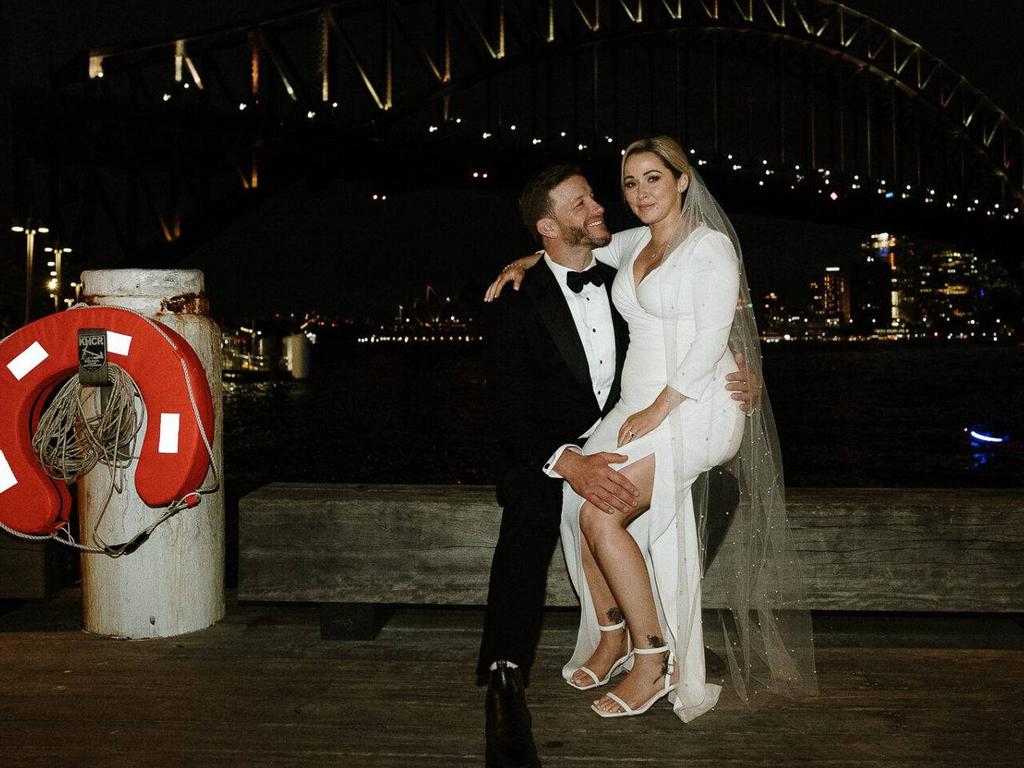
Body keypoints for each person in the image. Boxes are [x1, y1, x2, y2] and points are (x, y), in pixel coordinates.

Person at [487, 138, 816, 728]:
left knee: (601, 516)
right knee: (577, 496)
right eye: (630, 184)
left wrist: (668, 407)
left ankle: (653, 657)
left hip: (693, 407)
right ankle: (610, 633)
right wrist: (530, 260)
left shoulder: (709, 246)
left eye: (653, 179)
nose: (636, 194)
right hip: (640, 406)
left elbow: (714, 334)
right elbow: (575, 252)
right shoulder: (634, 242)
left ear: (683, 180)